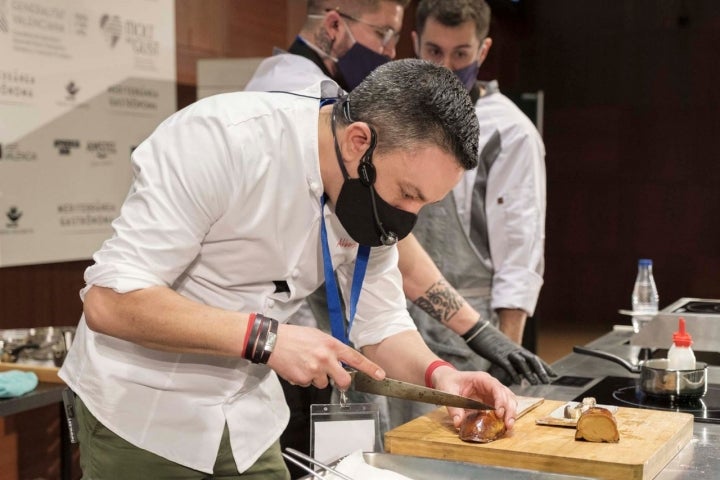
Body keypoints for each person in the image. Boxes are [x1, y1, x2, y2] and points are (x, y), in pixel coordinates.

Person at [58, 59, 518, 480]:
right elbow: (112, 300)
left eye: (424, 203)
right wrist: (267, 338)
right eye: (407, 193)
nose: (407, 215)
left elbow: (380, 323)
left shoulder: (371, 198)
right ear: (359, 140)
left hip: (247, 418)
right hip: (144, 414)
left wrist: (440, 375)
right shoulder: (220, 140)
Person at [402, 0, 548, 383]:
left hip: (469, 340)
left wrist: (507, 349)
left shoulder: (510, 133)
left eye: (461, 53)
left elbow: (519, 254)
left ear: (482, 51)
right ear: (416, 44)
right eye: (434, 52)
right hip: (394, 324)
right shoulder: (394, 115)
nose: (446, 67)